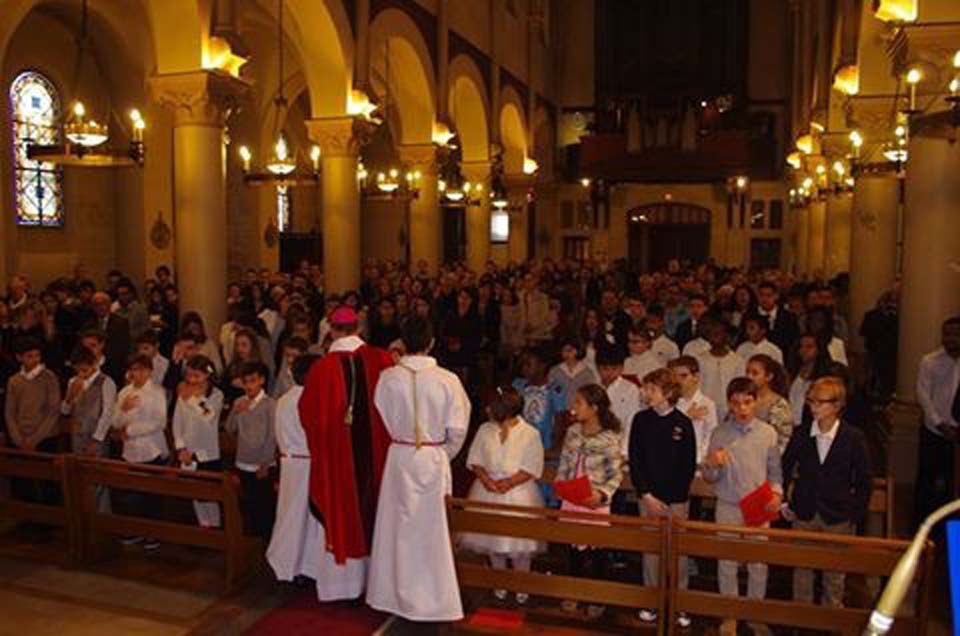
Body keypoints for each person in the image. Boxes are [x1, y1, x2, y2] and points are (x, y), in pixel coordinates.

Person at [367, 316, 470, 622]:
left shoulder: (388, 378)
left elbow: (383, 415)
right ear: (432, 342)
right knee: (431, 530)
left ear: (402, 342)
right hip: (432, 457)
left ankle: (392, 594)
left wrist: (407, 443)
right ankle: (434, 599)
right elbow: (458, 429)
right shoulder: (447, 380)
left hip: (399, 457)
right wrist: (439, 453)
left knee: (397, 529)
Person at [298, 305, 394, 600]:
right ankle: (377, 584)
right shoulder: (382, 359)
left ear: (331, 330)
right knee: (375, 512)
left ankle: (343, 588)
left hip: (338, 462)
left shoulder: (321, 369)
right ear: (359, 328)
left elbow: (308, 416)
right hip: (378, 458)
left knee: (342, 514)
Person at [702, 377, 782, 636]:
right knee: (727, 561)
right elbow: (709, 477)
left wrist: (777, 494)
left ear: (756, 401)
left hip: (758, 504)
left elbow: (775, 472)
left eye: (747, 402)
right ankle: (730, 615)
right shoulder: (720, 433)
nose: (742, 408)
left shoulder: (768, 433)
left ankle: (755, 615)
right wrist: (712, 464)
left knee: (758, 563)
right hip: (728, 504)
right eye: (736, 403)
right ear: (729, 404)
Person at [782, 377, 872, 608]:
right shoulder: (802, 433)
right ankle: (802, 615)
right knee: (802, 568)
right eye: (811, 401)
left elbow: (864, 480)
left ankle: (831, 615)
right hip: (805, 510)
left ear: (837, 405)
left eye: (820, 402)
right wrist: (785, 501)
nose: (814, 407)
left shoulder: (853, 437)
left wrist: (854, 513)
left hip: (838, 514)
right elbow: (785, 466)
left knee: (835, 572)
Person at [459, 386, 544, 605]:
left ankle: (521, 583)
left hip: (518, 492)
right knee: (492, 540)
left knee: (520, 544)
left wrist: (509, 482)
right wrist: (486, 479)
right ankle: (499, 581)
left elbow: (532, 466)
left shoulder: (530, 433)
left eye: (492, 406)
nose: (487, 409)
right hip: (487, 489)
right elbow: (475, 459)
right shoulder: (484, 429)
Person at [629, 368, 696, 629]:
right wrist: (646, 495)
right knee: (651, 551)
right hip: (648, 498)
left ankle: (680, 603)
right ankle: (651, 601)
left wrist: (670, 501)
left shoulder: (683, 423)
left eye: (652, 389)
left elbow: (687, 466)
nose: (646, 393)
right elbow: (636, 460)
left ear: (667, 393)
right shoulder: (640, 420)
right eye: (646, 388)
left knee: (678, 553)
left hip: (676, 499)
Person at [556, 384, 623, 619]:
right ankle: (573, 591)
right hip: (573, 497)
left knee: (597, 551)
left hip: (595, 499)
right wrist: (560, 486)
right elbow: (564, 463)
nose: (573, 407)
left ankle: (597, 596)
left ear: (594, 408)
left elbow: (615, 474)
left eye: (579, 403)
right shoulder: (573, 432)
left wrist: (602, 495)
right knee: (574, 549)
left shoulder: (609, 437)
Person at [267, 354, 324, 586]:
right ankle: (304, 566)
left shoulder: (283, 399)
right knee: (306, 519)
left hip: (290, 463)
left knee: (290, 515)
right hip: (307, 463)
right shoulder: (311, 400)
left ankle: (289, 564)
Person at [106, 354, 169, 550]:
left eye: (141, 370)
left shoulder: (157, 392)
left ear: (149, 371)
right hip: (131, 451)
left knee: (152, 495)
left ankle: (153, 534)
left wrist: (130, 431)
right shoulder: (125, 391)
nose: (137, 374)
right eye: (134, 370)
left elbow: (160, 422)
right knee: (132, 493)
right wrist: (123, 410)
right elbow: (115, 421)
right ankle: (135, 531)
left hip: (152, 448)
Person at [913, 316, 960, 528]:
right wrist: (940, 423)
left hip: (958, 432)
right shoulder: (930, 361)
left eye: (956, 334)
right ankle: (924, 528)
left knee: (953, 486)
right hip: (934, 430)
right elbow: (923, 395)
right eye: (947, 334)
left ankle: (953, 532)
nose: (951, 339)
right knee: (929, 481)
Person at [5, 337, 62, 504]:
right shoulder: (14, 380)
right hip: (21, 438)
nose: (35, 360)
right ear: (19, 357)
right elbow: (10, 412)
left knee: (48, 482)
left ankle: (51, 513)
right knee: (23, 482)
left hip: (45, 437)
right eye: (30, 356)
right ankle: (26, 513)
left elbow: (53, 411)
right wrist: (17, 438)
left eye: (37, 355)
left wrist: (34, 439)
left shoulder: (49, 377)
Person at [225, 361, 277, 542]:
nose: (249, 386)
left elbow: (271, 436)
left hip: (262, 463)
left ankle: (267, 541)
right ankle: (252, 541)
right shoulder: (239, 402)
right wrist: (236, 412)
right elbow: (230, 428)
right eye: (245, 382)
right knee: (249, 504)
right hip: (243, 461)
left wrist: (265, 462)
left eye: (252, 381)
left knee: (265, 506)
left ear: (261, 380)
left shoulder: (270, 404)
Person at [172, 354, 224, 528]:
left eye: (197, 376)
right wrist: (180, 448)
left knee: (209, 496)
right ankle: (203, 527)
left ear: (207, 375)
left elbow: (208, 416)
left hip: (208, 453)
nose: (192, 380)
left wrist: (193, 399)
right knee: (195, 495)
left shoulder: (216, 394)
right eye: (189, 375)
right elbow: (177, 422)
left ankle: (215, 530)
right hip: (187, 452)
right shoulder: (184, 394)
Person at [668, 356, 718, 465]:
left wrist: (698, 459)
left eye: (683, 376)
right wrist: (686, 417)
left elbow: (711, 437)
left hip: (698, 463)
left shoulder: (707, 404)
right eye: (675, 376)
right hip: (672, 460)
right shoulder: (670, 404)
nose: (678, 381)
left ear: (696, 377)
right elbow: (669, 435)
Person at [596, 344, 641, 458]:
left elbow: (631, 421)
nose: (609, 373)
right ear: (598, 368)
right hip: (596, 441)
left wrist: (624, 451)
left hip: (620, 442)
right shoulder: (594, 388)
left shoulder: (630, 389)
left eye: (614, 369)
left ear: (622, 368)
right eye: (605, 369)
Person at [695, 320, 745, 422]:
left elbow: (739, 388)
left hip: (729, 410)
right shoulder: (700, 360)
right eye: (712, 333)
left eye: (719, 333)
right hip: (704, 410)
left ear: (726, 336)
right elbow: (697, 386)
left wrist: (733, 409)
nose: (715, 336)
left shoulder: (737, 361)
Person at [745, 354, 794, 453]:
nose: (749, 377)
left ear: (769, 377)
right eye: (747, 372)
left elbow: (782, 441)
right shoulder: (743, 399)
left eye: (755, 373)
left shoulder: (779, 405)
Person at [548, 337, 599, 408]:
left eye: (569, 350)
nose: (566, 354)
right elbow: (551, 391)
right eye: (563, 351)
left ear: (577, 351)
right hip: (560, 409)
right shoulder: (555, 371)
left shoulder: (587, 373)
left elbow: (590, 394)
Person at [756, 281, 799, 354]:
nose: (764, 299)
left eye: (769, 295)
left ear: (776, 296)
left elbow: (794, 341)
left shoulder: (788, 317)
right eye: (761, 295)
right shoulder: (750, 315)